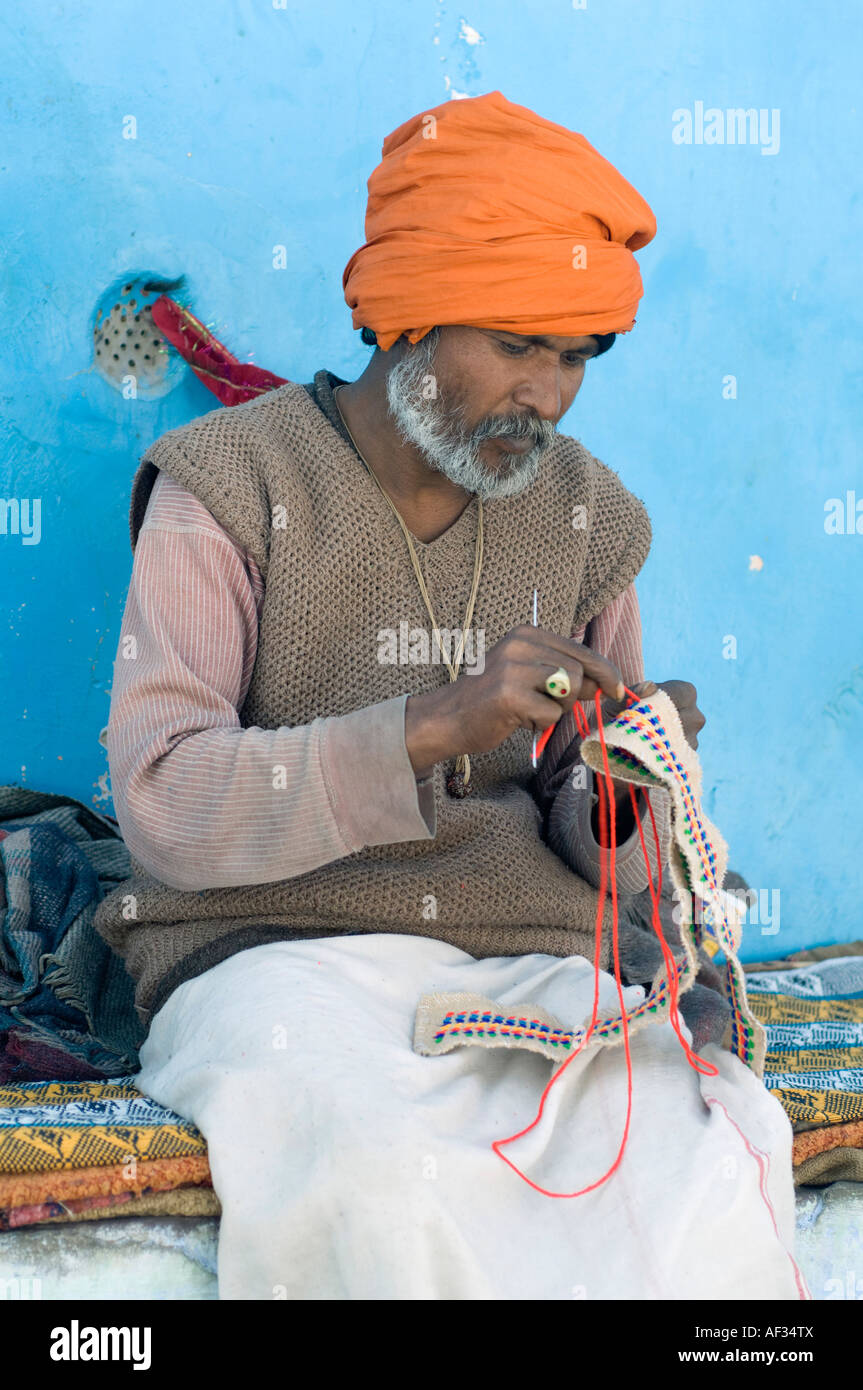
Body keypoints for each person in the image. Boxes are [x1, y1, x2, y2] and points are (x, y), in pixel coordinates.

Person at [94, 91, 805, 1300]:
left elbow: (600, 852)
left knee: (701, 1165)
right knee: (383, 1182)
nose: (547, 393)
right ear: (410, 315)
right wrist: (432, 725)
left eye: (575, 355)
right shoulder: (227, 486)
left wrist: (628, 777)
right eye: (517, 343)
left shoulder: (587, 513)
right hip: (272, 955)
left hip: (521, 952)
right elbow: (161, 798)